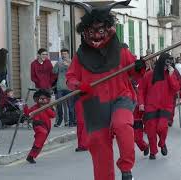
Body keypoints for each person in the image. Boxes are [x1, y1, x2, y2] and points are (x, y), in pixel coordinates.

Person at [65, 1, 145, 179]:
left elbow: (135, 73)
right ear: (85, 32)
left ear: (108, 29)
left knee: (122, 125)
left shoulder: (121, 51)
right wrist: (79, 85)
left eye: (100, 31)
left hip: (121, 97)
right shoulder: (80, 56)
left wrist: (139, 67)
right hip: (94, 105)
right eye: (91, 32)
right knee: (99, 149)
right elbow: (70, 79)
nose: (96, 36)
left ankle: (126, 168)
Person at [138, 53, 180, 160]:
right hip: (150, 106)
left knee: (162, 127)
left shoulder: (172, 74)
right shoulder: (149, 75)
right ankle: (153, 151)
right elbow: (141, 89)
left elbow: (176, 88)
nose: (168, 65)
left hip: (165, 106)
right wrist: (141, 103)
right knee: (151, 131)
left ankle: (162, 143)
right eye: (166, 63)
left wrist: (171, 75)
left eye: (170, 63)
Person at [24, 89, 56, 163]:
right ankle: (33, 152)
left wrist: (46, 108)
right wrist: (24, 107)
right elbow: (28, 114)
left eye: (44, 99)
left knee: (41, 142)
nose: (42, 100)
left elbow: (53, 115)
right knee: (42, 134)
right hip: (38, 125)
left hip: (47, 126)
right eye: (40, 99)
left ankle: (31, 156)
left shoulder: (49, 107)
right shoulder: (35, 107)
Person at [53, 48, 75, 127]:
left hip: (69, 87)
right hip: (60, 87)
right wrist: (57, 64)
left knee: (70, 106)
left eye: (65, 54)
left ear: (68, 54)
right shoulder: (59, 62)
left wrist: (68, 65)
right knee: (59, 105)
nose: (64, 55)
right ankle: (59, 120)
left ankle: (71, 122)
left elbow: (75, 72)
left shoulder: (72, 62)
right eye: (62, 54)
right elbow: (54, 72)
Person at [132, 80, 149, 156]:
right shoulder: (125, 96)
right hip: (128, 121)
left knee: (138, 139)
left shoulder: (139, 96)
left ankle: (145, 147)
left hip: (137, 120)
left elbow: (143, 109)